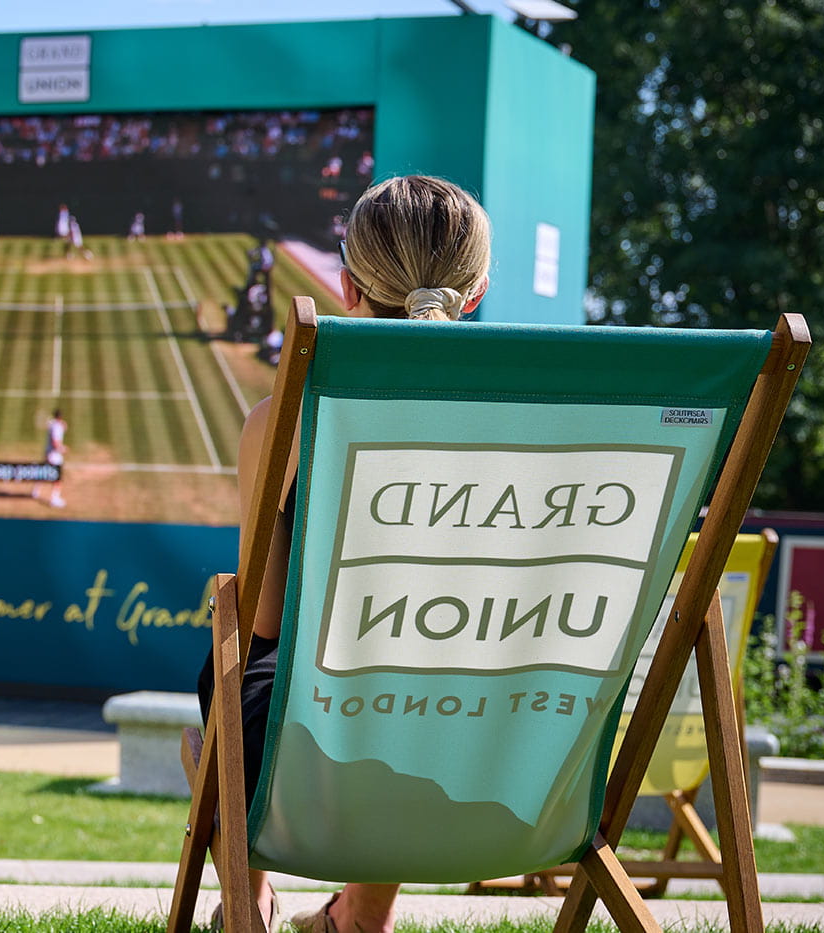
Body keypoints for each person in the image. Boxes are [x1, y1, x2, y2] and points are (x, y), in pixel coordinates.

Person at [196, 175, 490, 933]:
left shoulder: (285, 420)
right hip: (493, 750)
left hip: (312, 749)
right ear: (477, 291)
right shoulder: (548, 425)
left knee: (238, 654)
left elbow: (261, 621)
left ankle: (251, 889)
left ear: (348, 284)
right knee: (418, 671)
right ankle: (360, 916)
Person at [40, 408, 68, 508]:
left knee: (42, 472)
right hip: (54, 456)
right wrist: (63, 449)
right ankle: (54, 500)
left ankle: (35, 492)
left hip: (48, 453)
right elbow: (55, 443)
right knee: (57, 479)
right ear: (60, 416)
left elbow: (59, 425)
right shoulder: (56, 427)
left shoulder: (53, 424)